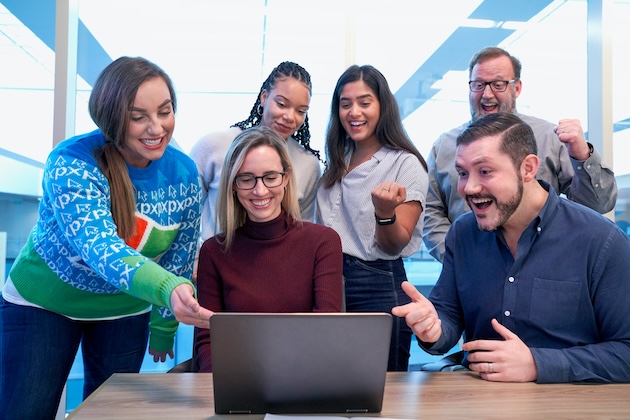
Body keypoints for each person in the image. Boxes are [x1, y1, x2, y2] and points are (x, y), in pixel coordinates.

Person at [0, 56, 213, 418]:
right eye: (138, 116)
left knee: (110, 414)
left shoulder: (183, 171)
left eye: (165, 111)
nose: (157, 127)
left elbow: (180, 250)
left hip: (124, 309)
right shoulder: (71, 162)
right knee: (27, 410)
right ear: (112, 116)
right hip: (44, 304)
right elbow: (101, 248)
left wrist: (164, 323)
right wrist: (166, 290)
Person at [393, 112, 630, 383]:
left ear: (528, 169)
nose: (468, 187)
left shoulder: (600, 240)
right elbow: (448, 316)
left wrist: (539, 364)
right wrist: (433, 329)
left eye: (485, 171)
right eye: (462, 173)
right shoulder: (463, 233)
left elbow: (626, 351)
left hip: (568, 404)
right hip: (480, 399)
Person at [423, 46, 618, 262]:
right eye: (478, 85)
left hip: (543, 267)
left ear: (517, 88)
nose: (487, 94)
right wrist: (458, 257)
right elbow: (430, 213)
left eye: (498, 85)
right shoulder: (444, 146)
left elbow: (596, 206)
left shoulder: (550, 138)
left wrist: (582, 157)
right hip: (469, 274)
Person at [192, 126, 343, 372]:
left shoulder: (323, 242)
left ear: (285, 178)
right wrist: (220, 386)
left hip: (305, 378)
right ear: (233, 184)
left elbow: (324, 330)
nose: (259, 190)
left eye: (270, 177)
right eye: (246, 179)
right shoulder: (213, 252)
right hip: (237, 380)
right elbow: (207, 342)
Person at [316, 64, 429, 371]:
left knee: (381, 388)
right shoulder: (337, 159)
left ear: (383, 106)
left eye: (365, 102)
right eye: (345, 103)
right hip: (329, 279)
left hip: (377, 281)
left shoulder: (406, 164)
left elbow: (395, 244)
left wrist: (384, 212)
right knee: (329, 380)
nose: (354, 112)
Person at [189, 61, 322, 245]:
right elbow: (185, 214)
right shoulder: (213, 146)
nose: (290, 117)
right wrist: (196, 257)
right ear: (264, 97)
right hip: (215, 262)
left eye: (301, 111)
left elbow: (301, 231)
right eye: (282, 104)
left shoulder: (308, 164)